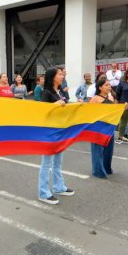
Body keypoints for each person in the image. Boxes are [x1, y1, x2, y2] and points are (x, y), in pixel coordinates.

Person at [37, 67, 74, 204]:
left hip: (60, 131)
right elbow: (43, 112)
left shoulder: (58, 92)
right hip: (49, 132)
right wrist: (56, 104)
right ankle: (43, 192)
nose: (62, 75)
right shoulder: (46, 92)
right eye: (59, 74)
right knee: (46, 164)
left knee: (58, 162)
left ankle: (59, 187)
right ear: (52, 77)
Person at [88, 78, 117, 178]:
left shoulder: (111, 98)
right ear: (100, 87)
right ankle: (98, 171)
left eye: (109, 85)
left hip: (109, 127)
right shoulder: (95, 98)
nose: (109, 86)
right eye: (106, 85)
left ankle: (107, 168)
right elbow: (90, 113)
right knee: (98, 151)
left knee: (109, 150)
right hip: (98, 127)